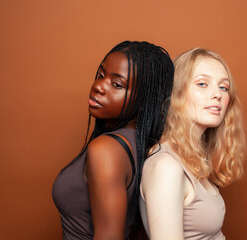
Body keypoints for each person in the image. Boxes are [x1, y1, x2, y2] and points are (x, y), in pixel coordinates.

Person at [52, 41, 174, 240]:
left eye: (117, 84)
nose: (99, 86)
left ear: (144, 102)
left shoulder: (106, 149)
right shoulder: (144, 145)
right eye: (101, 75)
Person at [140, 48, 246, 239]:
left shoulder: (193, 159)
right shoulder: (166, 166)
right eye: (202, 84)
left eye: (223, 87)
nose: (217, 94)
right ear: (177, 92)